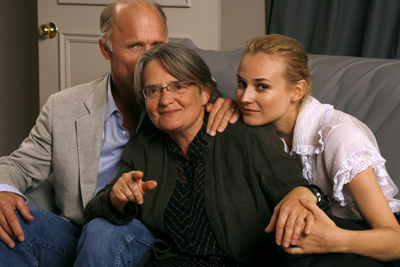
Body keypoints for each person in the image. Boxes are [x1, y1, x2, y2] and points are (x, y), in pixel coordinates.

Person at [0, 0, 238, 266]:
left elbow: (217, 91)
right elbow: (17, 165)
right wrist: (3, 191)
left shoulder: (178, 104)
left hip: (149, 237)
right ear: (106, 49)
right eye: (135, 46)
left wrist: (229, 103)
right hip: (78, 229)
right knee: (7, 223)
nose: (148, 58)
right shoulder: (64, 107)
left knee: (104, 233)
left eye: (157, 45)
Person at [79, 42, 329, 266]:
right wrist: (117, 197)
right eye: (153, 91)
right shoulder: (145, 144)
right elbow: (93, 211)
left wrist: (305, 195)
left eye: (178, 86)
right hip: (163, 261)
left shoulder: (246, 135)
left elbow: (301, 194)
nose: (165, 100)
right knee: (99, 230)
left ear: (205, 93)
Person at [236, 34, 400, 264]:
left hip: (365, 240)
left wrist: (335, 239)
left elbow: (395, 240)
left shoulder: (339, 136)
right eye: (241, 84)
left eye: (262, 86)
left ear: (297, 91)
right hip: (309, 234)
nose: (245, 97)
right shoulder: (255, 124)